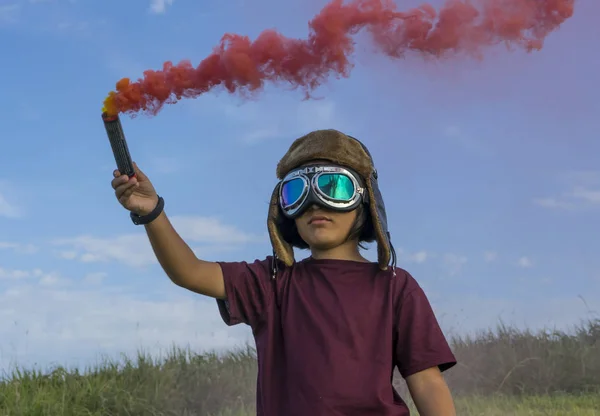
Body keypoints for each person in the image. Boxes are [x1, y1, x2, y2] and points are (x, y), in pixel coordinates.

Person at [110, 129, 458, 416]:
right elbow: (188, 271)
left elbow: (426, 382)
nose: (315, 205)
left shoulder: (396, 286)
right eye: (297, 192)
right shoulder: (272, 281)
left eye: (334, 188)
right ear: (283, 209)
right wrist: (152, 212)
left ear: (364, 200)